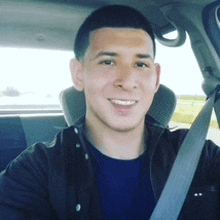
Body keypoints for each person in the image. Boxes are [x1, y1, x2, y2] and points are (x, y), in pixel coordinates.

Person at [0, 4, 220, 220]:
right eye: (108, 61)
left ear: (156, 78)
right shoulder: (37, 171)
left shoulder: (198, 156)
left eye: (141, 64)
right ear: (78, 74)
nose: (127, 81)